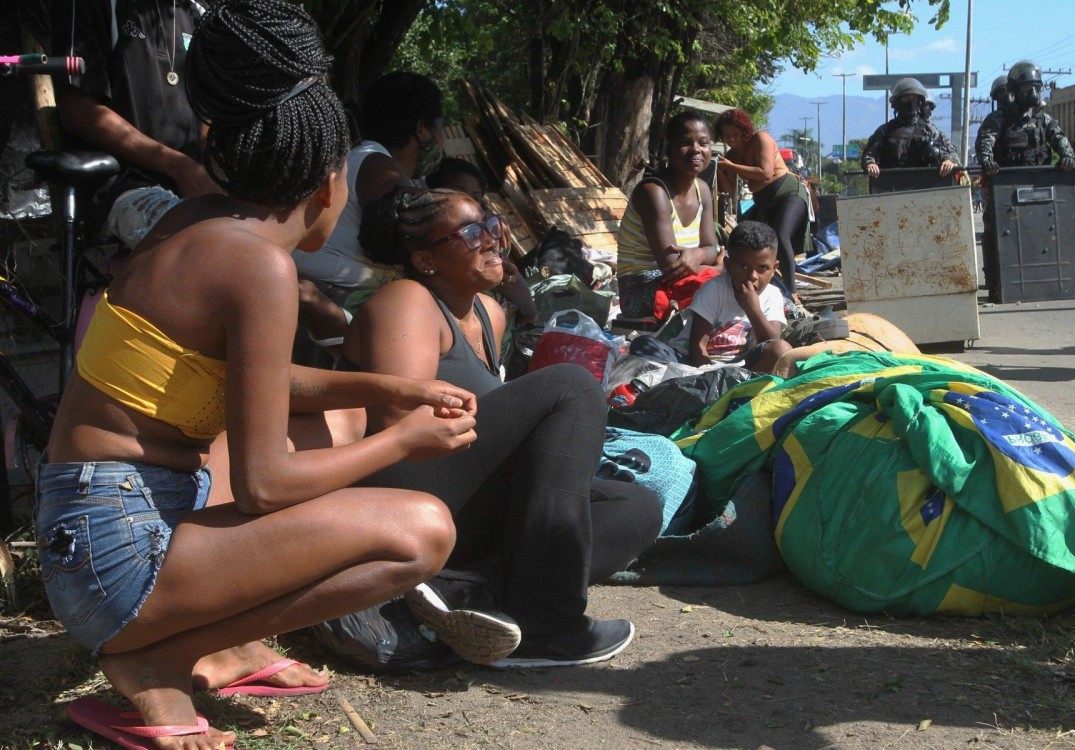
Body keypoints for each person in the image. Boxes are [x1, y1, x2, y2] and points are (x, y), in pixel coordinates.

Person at [35, 3, 477, 745]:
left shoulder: (195, 222)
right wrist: (403, 443)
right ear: (329, 187)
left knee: (333, 419)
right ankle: (166, 657)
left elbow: (259, 383)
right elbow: (267, 481)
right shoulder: (261, 269)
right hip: (119, 561)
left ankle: (215, 643)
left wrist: (385, 389)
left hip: (84, 529)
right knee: (422, 532)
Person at [340, 186, 662, 668]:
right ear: (426, 261)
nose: (494, 238)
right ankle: (545, 624)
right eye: (472, 232)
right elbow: (400, 424)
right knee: (572, 387)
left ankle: (464, 592)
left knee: (636, 504)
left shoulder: (489, 312)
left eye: (492, 224)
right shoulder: (406, 301)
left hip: (465, 493)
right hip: (409, 491)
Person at [51, 0, 216, 250]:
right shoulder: (97, 6)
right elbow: (78, 110)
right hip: (123, 186)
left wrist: (212, 171)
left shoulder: (196, 11)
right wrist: (180, 167)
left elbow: (208, 111)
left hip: (194, 179)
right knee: (200, 243)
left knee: (266, 242)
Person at [292, 71, 447, 305]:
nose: (443, 137)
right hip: (331, 301)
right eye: (441, 127)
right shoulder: (378, 167)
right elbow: (438, 244)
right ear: (422, 129)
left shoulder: (368, 160)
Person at [974, 61, 1075, 298]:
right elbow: (986, 141)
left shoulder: (1043, 119)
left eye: (1036, 88)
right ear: (1015, 91)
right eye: (1027, 89)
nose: (1033, 94)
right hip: (1006, 187)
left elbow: (1060, 139)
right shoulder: (999, 118)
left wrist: (1068, 156)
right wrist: (987, 160)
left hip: (1038, 182)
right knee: (994, 230)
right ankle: (995, 280)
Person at [617, 111, 721, 299]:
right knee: (727, 286)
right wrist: (719, 269)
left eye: (703, 143)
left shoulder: (703, 190)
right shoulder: (654, 192)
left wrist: (697, 255)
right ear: (669, 150)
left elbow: (711, 248)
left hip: (684, 282)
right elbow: (672, 266)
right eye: (685, 143)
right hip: (642, 289)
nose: (696, 149)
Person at [714, 108, 813, 298]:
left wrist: (731, 166)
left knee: (780, 234)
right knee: (749, 238)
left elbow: (765, 172)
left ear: (744, 131)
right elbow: (730, 189)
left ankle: (792, 291)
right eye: (727, 136)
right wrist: (720, 169)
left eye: (735, 134)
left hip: (788, 192)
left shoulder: (761, 139)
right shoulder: (732, 156)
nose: (732, 139)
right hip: (764, 201)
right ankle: (760, 285)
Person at [427, 157, 537, 325]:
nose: (468, 202)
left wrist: (529, 311)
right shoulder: (433, 238)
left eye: (475, 197)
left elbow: (510, 277)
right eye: (458, 192)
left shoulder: (487, 232)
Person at [671, 221, 791, 372]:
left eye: (762, 268)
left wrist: (753, 309)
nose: (753, 276)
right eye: (743, 266)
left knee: (782, 350)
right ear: (727, 264)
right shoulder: (714, 290)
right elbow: (697, 348)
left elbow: (772, 342)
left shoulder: (772, 295)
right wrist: (711, 378)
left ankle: (741, 388)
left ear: (774, 268)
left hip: (742, 367)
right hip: (703, 367)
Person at [861, 78, 959, 181]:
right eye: (906, 98)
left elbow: (951, 152)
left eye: (913, 98)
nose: (910, 102)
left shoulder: (929, 130)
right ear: (897, 102)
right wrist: (870, 164)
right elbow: (868, 154)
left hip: (925, 188)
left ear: (920, 102)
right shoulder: (885, 131)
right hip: (890, 188)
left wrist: (948, 161)